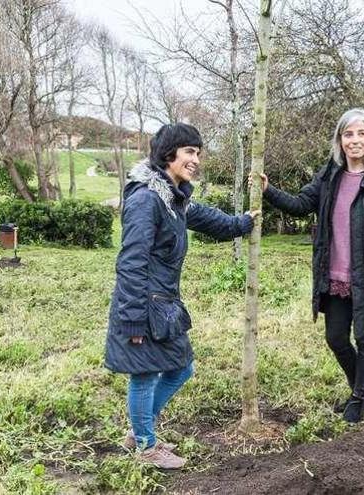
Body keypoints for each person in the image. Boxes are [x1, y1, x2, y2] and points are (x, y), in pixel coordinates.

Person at [104, 123, 257, 469]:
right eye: (189, 151)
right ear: (168, 153)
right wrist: (132, 318)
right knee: (144, 374)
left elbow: (207, 218)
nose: (196, 159)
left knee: (181, 369)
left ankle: (140, 429)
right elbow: (131, 262)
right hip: (143, 304)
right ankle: (145, 446)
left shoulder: (173, 197)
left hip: (164, 303)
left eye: (198, 153)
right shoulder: (146, 199)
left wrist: (242, 223)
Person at [253, 108, 364, 423]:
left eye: (361, 133)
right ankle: (360, 392)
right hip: (335, 276)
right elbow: (300, 205)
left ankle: (358, 396)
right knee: (336, 337)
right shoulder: (330, 176)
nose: (354, 140)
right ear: (340, 140)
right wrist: (268, 190)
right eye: (348, 134)